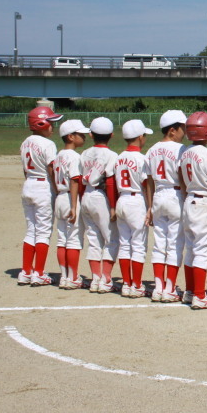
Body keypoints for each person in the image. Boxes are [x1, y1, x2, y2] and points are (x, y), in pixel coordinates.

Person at [144, 110, 188, 303]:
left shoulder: (152, 149)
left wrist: (150, 205)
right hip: (175, 194)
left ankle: (158, 287)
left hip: (158, 195)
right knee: (175, 244)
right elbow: (184, 177)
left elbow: (149, 180)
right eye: (182, 128)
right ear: (172, 130)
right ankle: (170, 287)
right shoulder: (180, 149)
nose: (184, 132)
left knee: (160, 243)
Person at [180, 112, 207, 309]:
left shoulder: (185, 152)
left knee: (191, 248)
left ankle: (189, 291)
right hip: (203, 201)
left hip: (189, 199)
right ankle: (200, 295)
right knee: (202, 249)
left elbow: (181, 178)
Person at [19, 106, 64, 286]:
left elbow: (24, 169)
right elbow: (51, 168)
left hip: (28, 184)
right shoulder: (48, 144)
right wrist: (57, 188)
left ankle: (26, 271)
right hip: (43, 185)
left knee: (31, 230)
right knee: (44, 232)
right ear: (41, 123)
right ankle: (39, 273)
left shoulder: (25, 142)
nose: (52, 127)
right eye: (50, 123)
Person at [114, 119, 153, 298]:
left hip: (121, 198)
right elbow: (146, 185)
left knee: (124, 243)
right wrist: (150, 207)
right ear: (139, 137)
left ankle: (127, 284)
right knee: (138, 244)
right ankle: (136, 285)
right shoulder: (141, 158)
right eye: (144, 135)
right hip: (136, 200)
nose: (145, 138)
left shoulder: (119, 157)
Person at [80, 117, 119, 293]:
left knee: (94, 240)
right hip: (101, 197)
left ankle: (95, 279)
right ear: (111, 135)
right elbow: (110, 182)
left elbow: (80, 182)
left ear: (90, 135)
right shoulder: (111, 155)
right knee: (111, 239)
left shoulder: (84, 153)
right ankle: (106, 279)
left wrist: (81, 200)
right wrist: (112, 206)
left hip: (86, 194)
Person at [53, 119, 90, 289]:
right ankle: (73, 277)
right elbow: (75, 181)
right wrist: (74, 206)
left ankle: (64, 276)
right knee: (73, 239)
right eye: (80, 134)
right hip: (70, 197)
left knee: (62, 239)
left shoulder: (58, 155)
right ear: (70, 136)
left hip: (60, 196)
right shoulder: (75, 157)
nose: (84, 137)